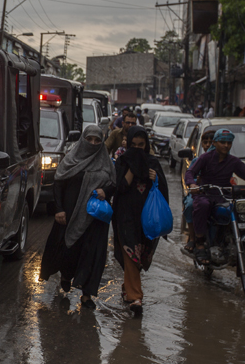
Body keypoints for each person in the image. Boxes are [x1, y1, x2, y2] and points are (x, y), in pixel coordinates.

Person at [40, 125, 116, 309]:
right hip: (69, 215)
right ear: (83, 140)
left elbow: (114, 184)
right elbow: (58, 183)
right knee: (68, 250)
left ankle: (87, 295)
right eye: (89, 139)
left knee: (91, 255)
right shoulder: (71, 159)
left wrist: (105, 191)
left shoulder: (105, 162)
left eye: (97, 140)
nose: (93, 143)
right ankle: (66, 275)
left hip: (94, 219)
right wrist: (58, 209)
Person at [185, 129, 245, 265]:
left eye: (229, 143)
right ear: (215, 143)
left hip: (224, 196)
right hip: (206, 194)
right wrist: (192, 184)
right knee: (202, 205)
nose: (226, 145)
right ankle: (200, 243)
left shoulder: (233, 161)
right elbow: (190, 172)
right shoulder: (205, 158)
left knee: (236, 208)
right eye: (222, 142)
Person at [112, 126, 168, 315]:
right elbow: (120, 188)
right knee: (130, 254)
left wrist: (155, 178)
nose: (137, 149)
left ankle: (128, 287)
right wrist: (132, 168)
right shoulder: (122, 161)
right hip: (126, 216)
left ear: (146, 145)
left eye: (141, 145)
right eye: (133, 145)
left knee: (141, 256)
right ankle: (136, 298)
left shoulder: (153, 163)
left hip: (147, 218)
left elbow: (163, 190)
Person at [181, 130, 215, 253]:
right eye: (205, 142)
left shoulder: (226, 160)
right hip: (199, 193)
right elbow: (189, 176)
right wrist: (196, 182)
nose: (208, 145)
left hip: (216, 194)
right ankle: (192, 237)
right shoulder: (197, 160)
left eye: (211, 142)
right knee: (190, 205)